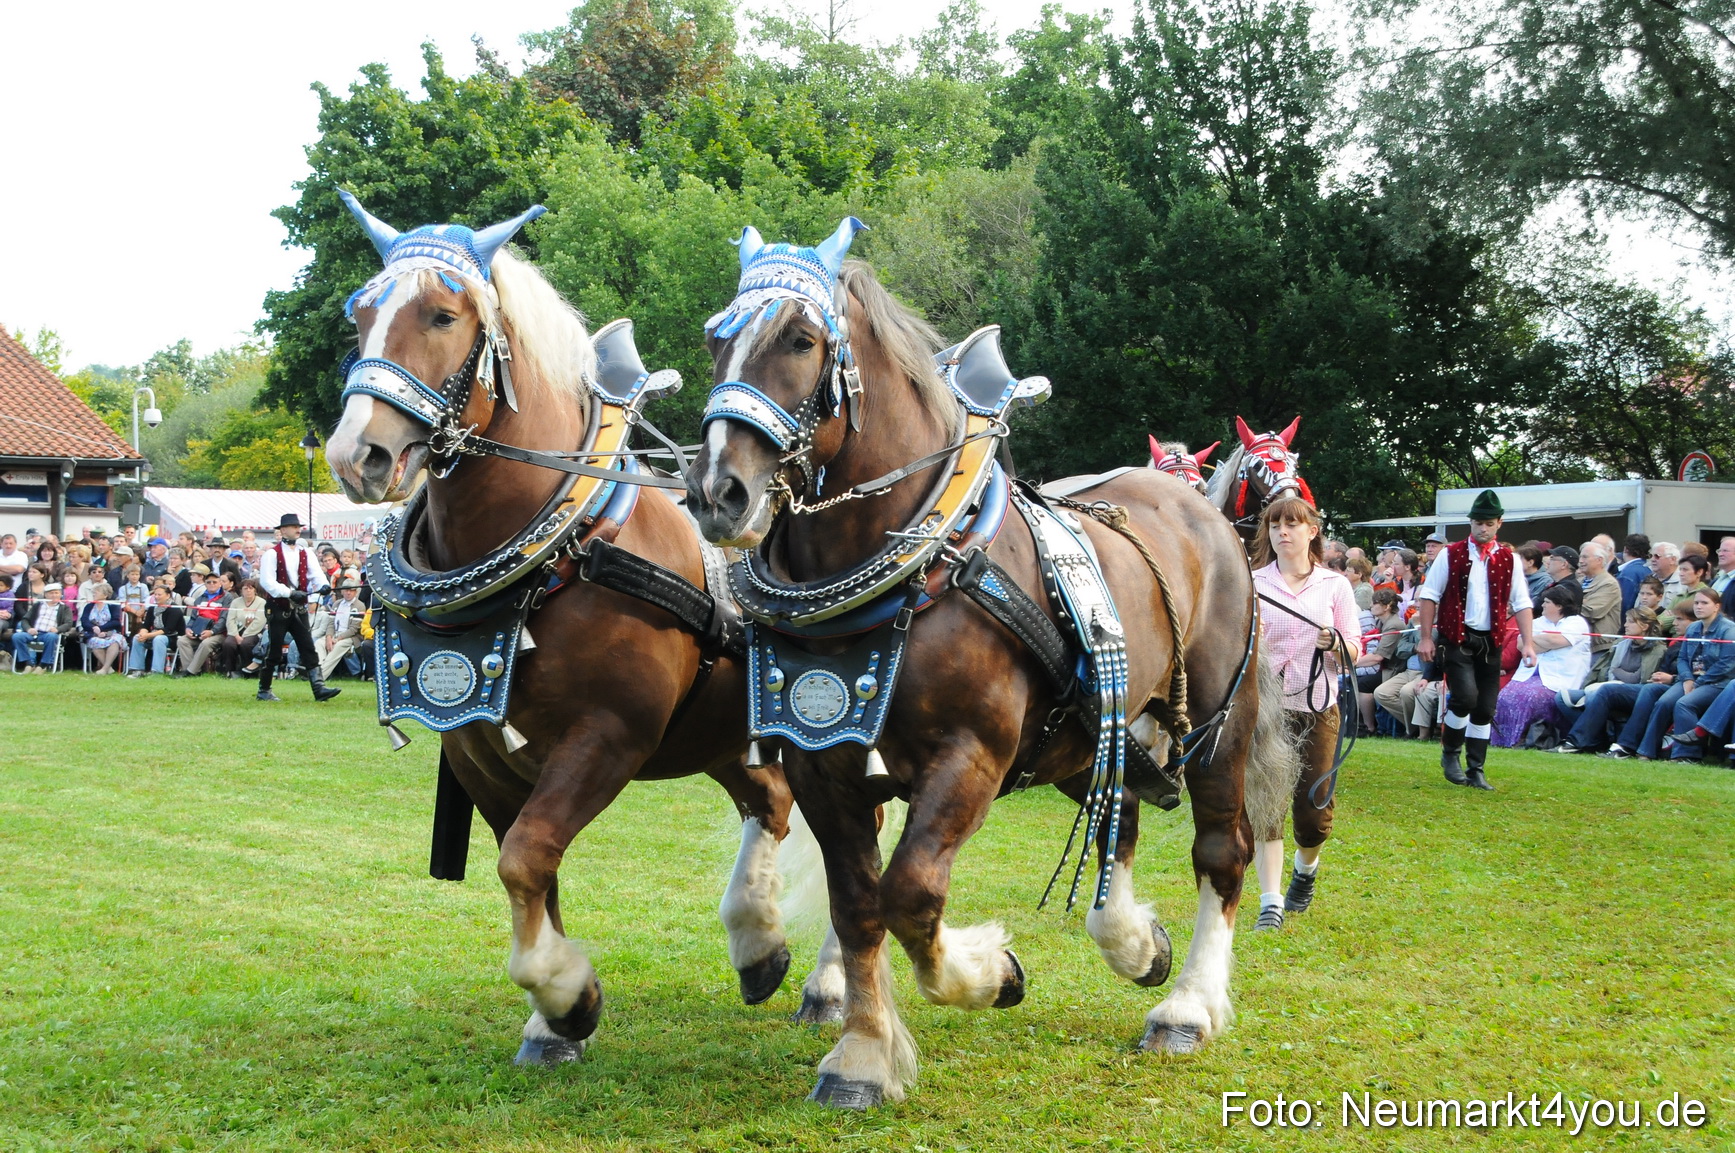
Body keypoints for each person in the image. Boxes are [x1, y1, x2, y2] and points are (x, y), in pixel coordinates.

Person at [1248, 496, 1361, 931]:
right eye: (1275, 525)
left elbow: (1355, 647)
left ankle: (1306, 868)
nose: (1282, 532)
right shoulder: (1253, 583)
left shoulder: (1334, 587)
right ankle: (1270, 903)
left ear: (1312, 531)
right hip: (1266, 708)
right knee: (1266, 806)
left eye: (1292, 525)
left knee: (1313, 817)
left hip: (1317, 707)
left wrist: (1335, 643)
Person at [1415, 489, 1538, 791]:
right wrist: (1427, 637)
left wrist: (1529, 643)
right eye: (1478, 523)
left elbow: (1522, 602)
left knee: (1485, 707)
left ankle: (1476, 769)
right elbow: (1429, 596)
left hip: (1490, 640)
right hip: (1456, 638)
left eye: (1489, 523)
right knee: (1465, 698)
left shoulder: (1508, 559)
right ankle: (1450, 754)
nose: (1483, 529)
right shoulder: (1451, 553)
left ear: (1499, 524)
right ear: (1470, 522)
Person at [1601, 589, 1735, 760]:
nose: (1699, 607)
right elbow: (1683, 657)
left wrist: (1698, 682)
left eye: (1704, 603)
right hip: (1690, 679)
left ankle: (1686, 756)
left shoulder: (1728, 630)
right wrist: (1687, 678)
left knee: (1684, 704)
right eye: (1696, 603)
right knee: (1663, 701)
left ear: (1716, 606)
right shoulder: (1694, 628)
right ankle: (1645, 752)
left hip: (1717, 682)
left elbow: (1727, 664)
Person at [255, 513, 339, 703]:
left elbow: (316, 575)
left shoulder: (305, 552)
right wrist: (289, 593)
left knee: (308, 646)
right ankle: (264, 689)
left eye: (298, 526)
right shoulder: (272, 554)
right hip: (278, 607)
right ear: (283, 530)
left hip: (299, 608)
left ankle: (319, 688)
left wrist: (323, 586)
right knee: (274, 650)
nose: (297, 529)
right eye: (293, 526)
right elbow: (267, 582)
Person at [1492, 585, 1590, 747]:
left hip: (1558, 679)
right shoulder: (1537, 622)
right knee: (1505, 696)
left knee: (1529, 697)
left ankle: (1521, 739)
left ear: (1559, 605)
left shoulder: (1576, 623)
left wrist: (1535, 641)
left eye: (1547, 602)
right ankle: (1502, 740)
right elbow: (1521, 644)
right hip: (1528, 675)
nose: (1542, 605)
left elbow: (1557, 641)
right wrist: (1543, 641)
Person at [1577, 542, 1622, 680]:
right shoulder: (1579, 581)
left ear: (1599, 560)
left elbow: (1591, 612)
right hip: (1579, 643)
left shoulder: (1608, 583)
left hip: (1598, 646)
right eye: (1580, 557)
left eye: (1585, 557)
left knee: (1587, 683)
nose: (1580, 561)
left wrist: (1571, 604)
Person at [176, 569, 229, 676]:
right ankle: (190, 670)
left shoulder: (227, 598)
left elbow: (224, 619)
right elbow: (193, 617)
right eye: (208, 582)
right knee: (182, 640)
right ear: (205, 584)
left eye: (214, 582)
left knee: (206, 643)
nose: (211, 584)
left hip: (218, 634)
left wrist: (212, 632)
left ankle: (191, 672)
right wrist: (188, 628)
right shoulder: (200, 599)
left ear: (220, 583)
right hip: (198, 631)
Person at [12, 581, 72, 672]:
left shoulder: (64, 608)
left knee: (52, 637)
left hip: (49, 633)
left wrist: (57, 629)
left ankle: (43, 665)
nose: (54, 595)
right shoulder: (37, 605)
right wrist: (29, 629)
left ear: (61, 594)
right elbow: (25, 619)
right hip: (34, 633)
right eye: (51, 593)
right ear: (45, 595)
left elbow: (68, 623)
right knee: (17, 636)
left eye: (56, 593)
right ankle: (28, 663)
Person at [314, 576, 368, 679]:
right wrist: (329, 637)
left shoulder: (360, 606)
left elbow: (353, 629)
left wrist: (337, 638)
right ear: (342, 591)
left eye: (351, 591)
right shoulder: (336, 604)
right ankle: (319, 670)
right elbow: (330, 623)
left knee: (338, 647)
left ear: (355, 592)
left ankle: (320, 676)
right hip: (335, 634)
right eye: (346, 590)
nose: (348, 593)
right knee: (319, 643)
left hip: (351, 638)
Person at [127, 585, 183, 676]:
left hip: (172, 637)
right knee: (137, 638)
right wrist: (143, 633)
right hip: (154, 634)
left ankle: (157, 671)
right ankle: (137, 670)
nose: (156, 597)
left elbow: (168, 629)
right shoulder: (152, 608)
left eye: (159, 595)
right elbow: (146, 625)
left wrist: (148, 636)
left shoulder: (174, 609)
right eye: (155, 594)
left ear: (168, 595)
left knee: (159, 639)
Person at [219, 578, 268, 677]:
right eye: (245, 588)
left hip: (253, 632)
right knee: (228, 643)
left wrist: (244, 635)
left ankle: (248, 671)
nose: (248, 591)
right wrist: (236, 635)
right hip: (236, 632)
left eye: (250, 588)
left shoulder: (261, 602)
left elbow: (259, 621)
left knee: (246, 644)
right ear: (241, 591)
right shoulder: (235, 602)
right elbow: (230, 619)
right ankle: (230, 670)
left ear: (255, 590)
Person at [80, 583, 127, 674]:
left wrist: (102, 629)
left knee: (115, 642)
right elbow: (84, 621)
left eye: (96, 592)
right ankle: (108, 668)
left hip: (110, 632)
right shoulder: (89, 606)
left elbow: (116, 622)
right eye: (93, 593)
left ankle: (104, 668)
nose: (94, 594)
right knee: (95, 642)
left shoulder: (113, 606)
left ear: (105, 595)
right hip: (94, 633)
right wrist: (94, 628)